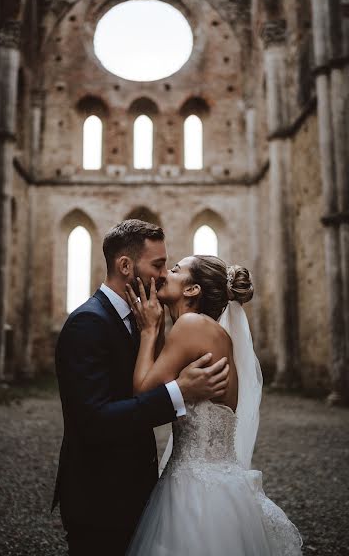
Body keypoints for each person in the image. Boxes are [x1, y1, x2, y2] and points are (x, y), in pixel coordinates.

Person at [52, 221, 230, 556]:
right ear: (125, 266)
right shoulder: (87, 323)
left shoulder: (145, 320)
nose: (164, 274)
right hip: (100, 497)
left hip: (140, 492)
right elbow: (93, 420)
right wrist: (181, 391)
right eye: (159, 265)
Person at [125, 255, 303, 556]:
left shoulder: (192, 326)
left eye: (176, 270)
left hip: (195, 493)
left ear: (192, 290)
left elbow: (142, 393)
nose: (166, 273)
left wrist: (147, 330)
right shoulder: (209, 332)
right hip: (219, 484)